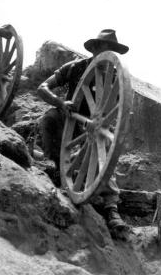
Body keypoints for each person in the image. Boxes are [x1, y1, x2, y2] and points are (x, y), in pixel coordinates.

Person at [37, 29, 130, 238]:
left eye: (113, 50)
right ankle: (58, 169)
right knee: (50, 118)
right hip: (70, 119)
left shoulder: (117, 80)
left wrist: (100, 125)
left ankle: (112, 209)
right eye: (107, 49)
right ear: (95, 49)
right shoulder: (75, 68)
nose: (110, 55)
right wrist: (60, 102)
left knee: (105, 145)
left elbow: (116, 112)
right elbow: (42, 88)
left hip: (95, 127)